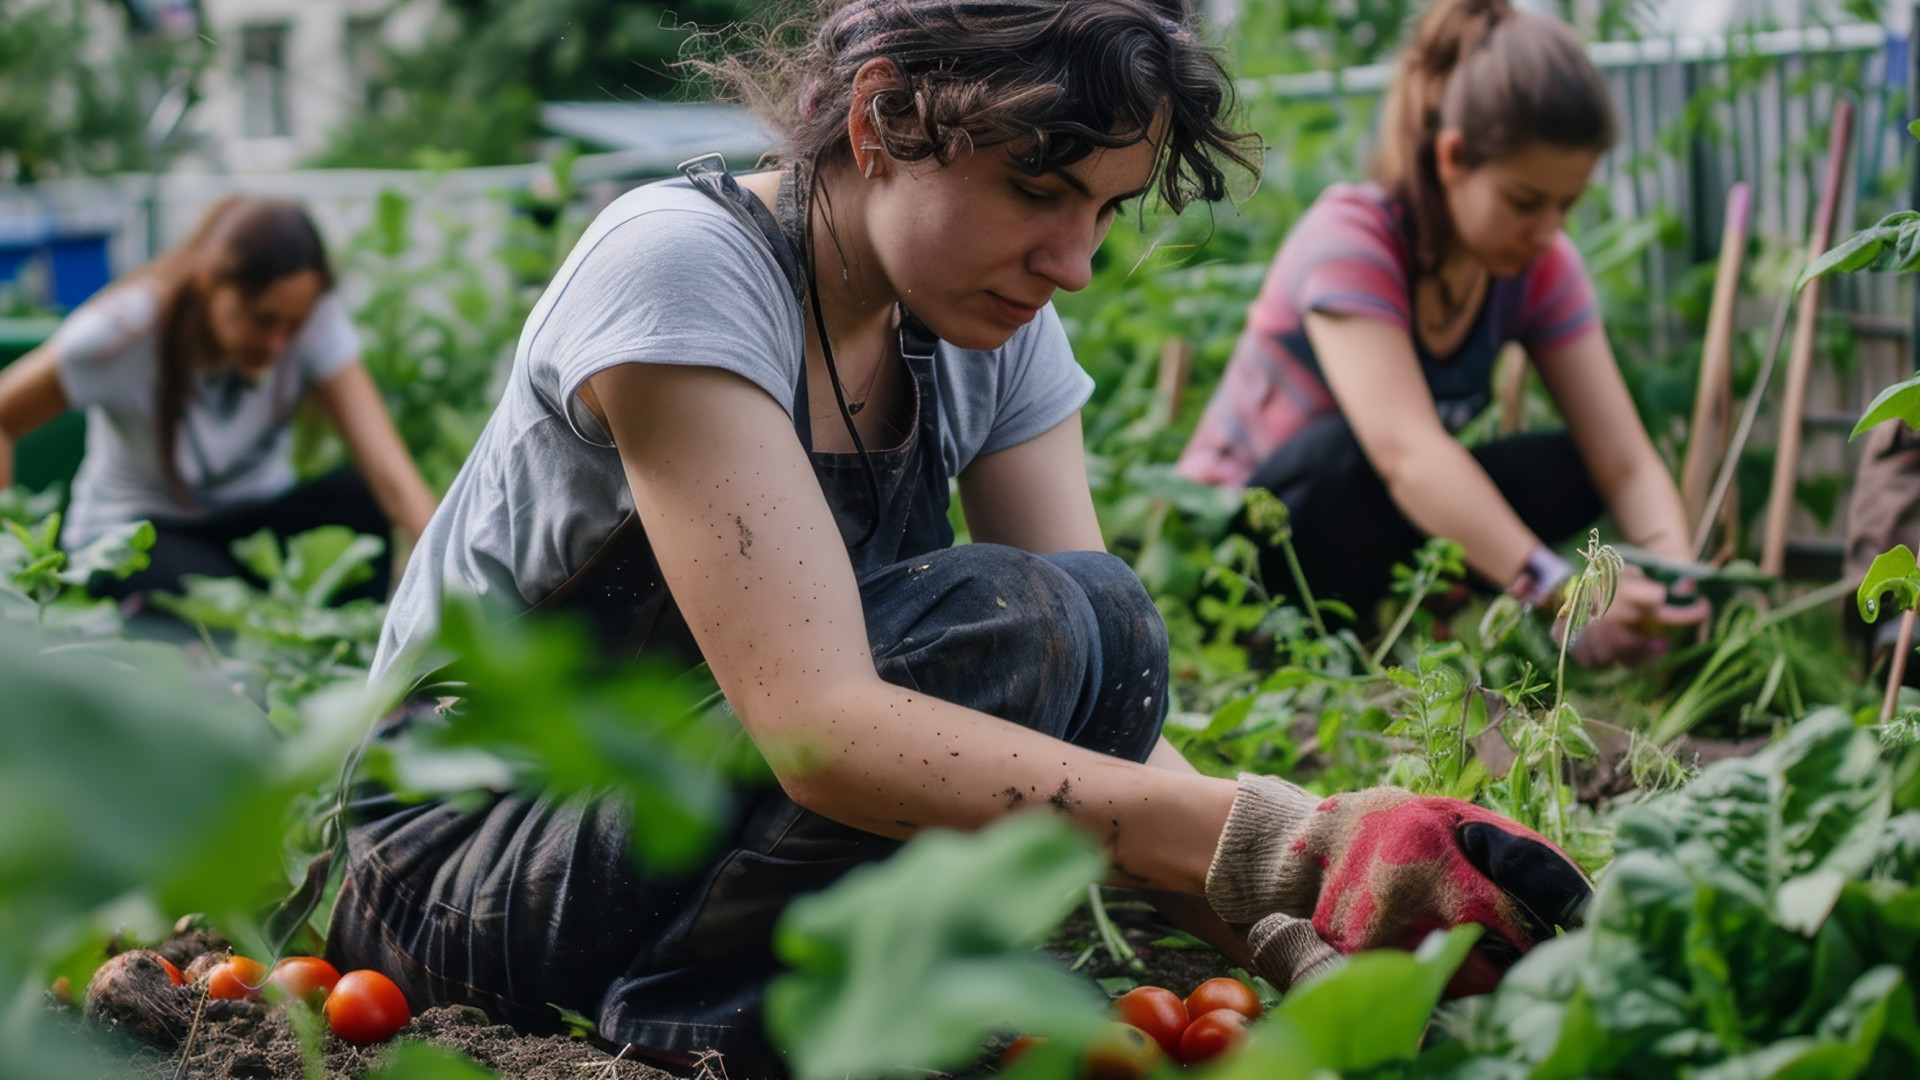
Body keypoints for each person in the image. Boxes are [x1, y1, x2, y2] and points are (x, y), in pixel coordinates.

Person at [324, 1, 1592, 1072]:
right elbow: (820, 729)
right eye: (1038, 191)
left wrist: (1297, 916)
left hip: (667, 835)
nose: (1074, 261)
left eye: (1106, 210)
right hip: (464, 860)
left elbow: (1104, 709)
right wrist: (1274, 845)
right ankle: (715, 1025)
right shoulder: (682, 269)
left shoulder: (990, 324)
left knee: (1102, 620)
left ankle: (804, 996)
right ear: (881, 118)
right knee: (1016, 621)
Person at [1175, 0, 1703, 662]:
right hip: (1244, 547)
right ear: (1453, 158)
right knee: (1352, 455)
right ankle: (1283, 649)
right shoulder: (1351, 239)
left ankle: (1394, 625)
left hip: (1372, 523)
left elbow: (1623, 460)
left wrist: (1678, 584)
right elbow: (1407, 454)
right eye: (1525, 202)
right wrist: (1559, 591)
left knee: (1570, 468)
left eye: (1565, 205)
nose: (1548, 230)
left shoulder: (1539, 265)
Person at [0, 195, 436, 607]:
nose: (278, 343)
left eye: (292, 326)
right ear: (210, 284)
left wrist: (449, 576)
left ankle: (364, 650)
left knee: (356, 500)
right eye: (263, 320)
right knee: (209, 598)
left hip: (250, 525)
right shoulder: (120, 333)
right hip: (137, 535)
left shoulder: (311, 316)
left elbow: (390, 474)